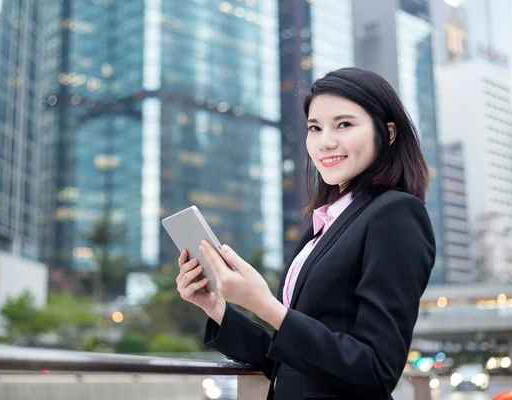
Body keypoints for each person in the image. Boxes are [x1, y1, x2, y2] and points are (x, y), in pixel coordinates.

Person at [176, 67, 436, 400]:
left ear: (387, 133)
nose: (326, 141)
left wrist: (265, 305)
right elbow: (293, 363)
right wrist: (216, 307)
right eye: (315, 128)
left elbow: (375, 369)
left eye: (344, 124)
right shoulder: (323, 226)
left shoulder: (396, 214)